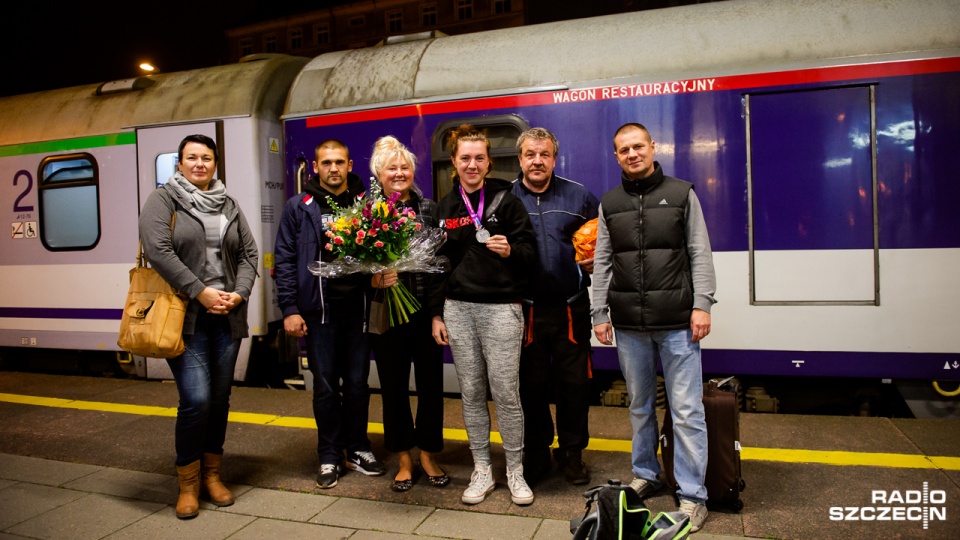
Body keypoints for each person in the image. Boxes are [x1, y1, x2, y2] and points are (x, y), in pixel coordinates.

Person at [591, 123, 716, 532]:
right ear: (616, 156)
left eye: (637, 146)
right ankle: (646, 474)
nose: (631, 154)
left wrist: (702, 305)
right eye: (623, 149)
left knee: (686, 410)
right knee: (639, 408)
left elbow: (700, 252)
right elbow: (602, 262)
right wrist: (599, 313)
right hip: (628, 326)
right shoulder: (610, 204)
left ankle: (693, 495)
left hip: (679, 323)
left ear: (652, 147)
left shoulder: (682, 194)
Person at [139, 134, 259, 519]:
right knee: (197, 400)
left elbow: (249, 254)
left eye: (206, 158)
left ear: (215, 163)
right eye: (191, 158)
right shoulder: (163, 200)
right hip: (185, 316)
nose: (199, 164)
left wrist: (238, 293)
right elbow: (158, 250)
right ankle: (187, 483)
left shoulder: (229, 203)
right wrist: (200, 291)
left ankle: (212, 476)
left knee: (220, 400)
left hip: (226, 315)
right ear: (179, 163)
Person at [430, 124, 538, 506]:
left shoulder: (508, 201)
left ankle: (515, 471)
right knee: (472, 394)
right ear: (454, 164)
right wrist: (437, 314)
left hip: (501, 310)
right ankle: (482, 469)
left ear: (489, 162)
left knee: (507, 393)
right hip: (457, 311)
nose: (472, 165)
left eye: (479, 158)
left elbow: (530, 254)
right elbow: (435, 265)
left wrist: (511, 250)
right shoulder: (444, 208)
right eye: (464, 158)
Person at [274, 139, 385, 490]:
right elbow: (285, 260)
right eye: (326, 163)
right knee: (324, 388)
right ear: (315, 167)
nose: (333, 168)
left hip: (358, 311)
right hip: (318, 312)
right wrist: (289, 309)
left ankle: (358, 448)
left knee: (357, 385)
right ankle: (329, 455)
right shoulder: (299, 207)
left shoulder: (366, 205)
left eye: (339, 162)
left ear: (350, 164)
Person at [510, 127, 599, 486]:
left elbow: (601, 243)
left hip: (570, 309)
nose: (537, 161)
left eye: (544, 154)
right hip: (525, 311)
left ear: (554, 159)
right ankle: (537, 451)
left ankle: (572, 453)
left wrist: (596, 261)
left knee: (574, 386)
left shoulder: (579, 197)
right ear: (520, 159)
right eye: (530, 154)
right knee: (530, 387)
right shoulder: (505, 199)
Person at [367, 136, 449, 493]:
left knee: (431, 387)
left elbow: (437, 267)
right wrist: (372, 277)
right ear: (379, 174)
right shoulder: (366, 213)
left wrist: (436, 314)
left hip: (422, 312)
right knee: (393, 389)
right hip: (386, 314)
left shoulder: (428, 208)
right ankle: (403, 458)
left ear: (413, 171)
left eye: (405, 167)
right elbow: (353, 267)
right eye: (392, 168)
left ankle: (429, 454)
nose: (399, 173)